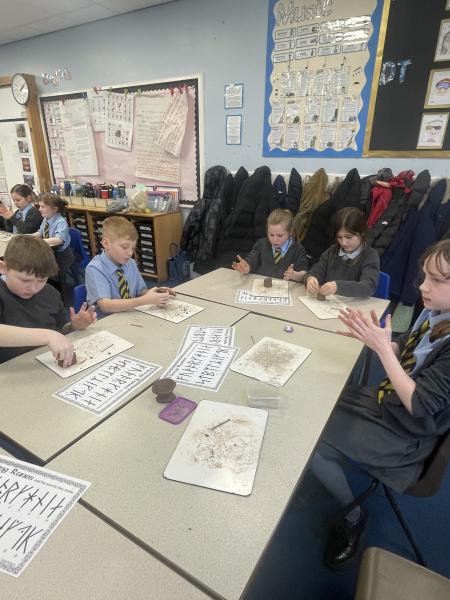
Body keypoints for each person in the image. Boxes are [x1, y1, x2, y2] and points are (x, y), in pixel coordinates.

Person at [309, 238, 450, 569]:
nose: (423, 287)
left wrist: (384, 350)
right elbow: (410, 351)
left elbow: (420, 404)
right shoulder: (437, 313)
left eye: (436, 280)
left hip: (407, 435)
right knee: (319, 402)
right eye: (424, 276)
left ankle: (354, 517)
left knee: (311, 440)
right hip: (390, 405)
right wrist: (381, 342)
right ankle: (328, 470)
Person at [0, 235, 96, 364]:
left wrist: (75, 326)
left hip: (48, 363)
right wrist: (48, 336)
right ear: (3, 268)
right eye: (25, 280)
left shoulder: (50, 293)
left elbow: (60, 330)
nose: (33, 288)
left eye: (41, 280)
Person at [85, 216, 174, 314]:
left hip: (129, 314)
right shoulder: (95, 269)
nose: (130, 253)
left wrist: (155, 293)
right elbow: (105, 305)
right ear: (106, 243)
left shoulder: (130, 263)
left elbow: (140, 291)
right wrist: (145, 300)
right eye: (124, 247)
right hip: (106, 320)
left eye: (132, 248)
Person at [304, 207, 380, 298]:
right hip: (330, 303)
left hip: (354, 305)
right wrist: (311, 279)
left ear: (362, 234)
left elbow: (368, 287)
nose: (343, 243)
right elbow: (315, 271)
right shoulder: (332, 251)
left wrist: (337, 286)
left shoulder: (370, 256)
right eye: (339, 237)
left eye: (349, 237)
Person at [231, 208, 308, 280]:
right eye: (271, 235)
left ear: (290, 232)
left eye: (280, 235)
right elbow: (252, 260)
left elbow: (304, 273)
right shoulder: (261, 244)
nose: (275, 240)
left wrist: (295, 275)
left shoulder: (298, 249)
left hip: (285, 288)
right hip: (262, 286)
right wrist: (246, 267)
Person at [35, 193, 74, 305]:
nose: (39, 209)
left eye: (43, 206)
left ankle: (61, 297)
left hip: (62, 256)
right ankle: (48, 286)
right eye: (39, 206)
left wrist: (40, 242)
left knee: (56, 276)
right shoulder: (46, 219)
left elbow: (59, 240)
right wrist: (27, 237)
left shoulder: (61, 222)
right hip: (50, 253)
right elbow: (40, 233)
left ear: (54, 208)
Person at [0, 324, 74, 367]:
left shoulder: (51, 301)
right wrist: (48, 335)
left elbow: (61, 328)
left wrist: (73, 326)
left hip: (49, 362)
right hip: (13, 367)